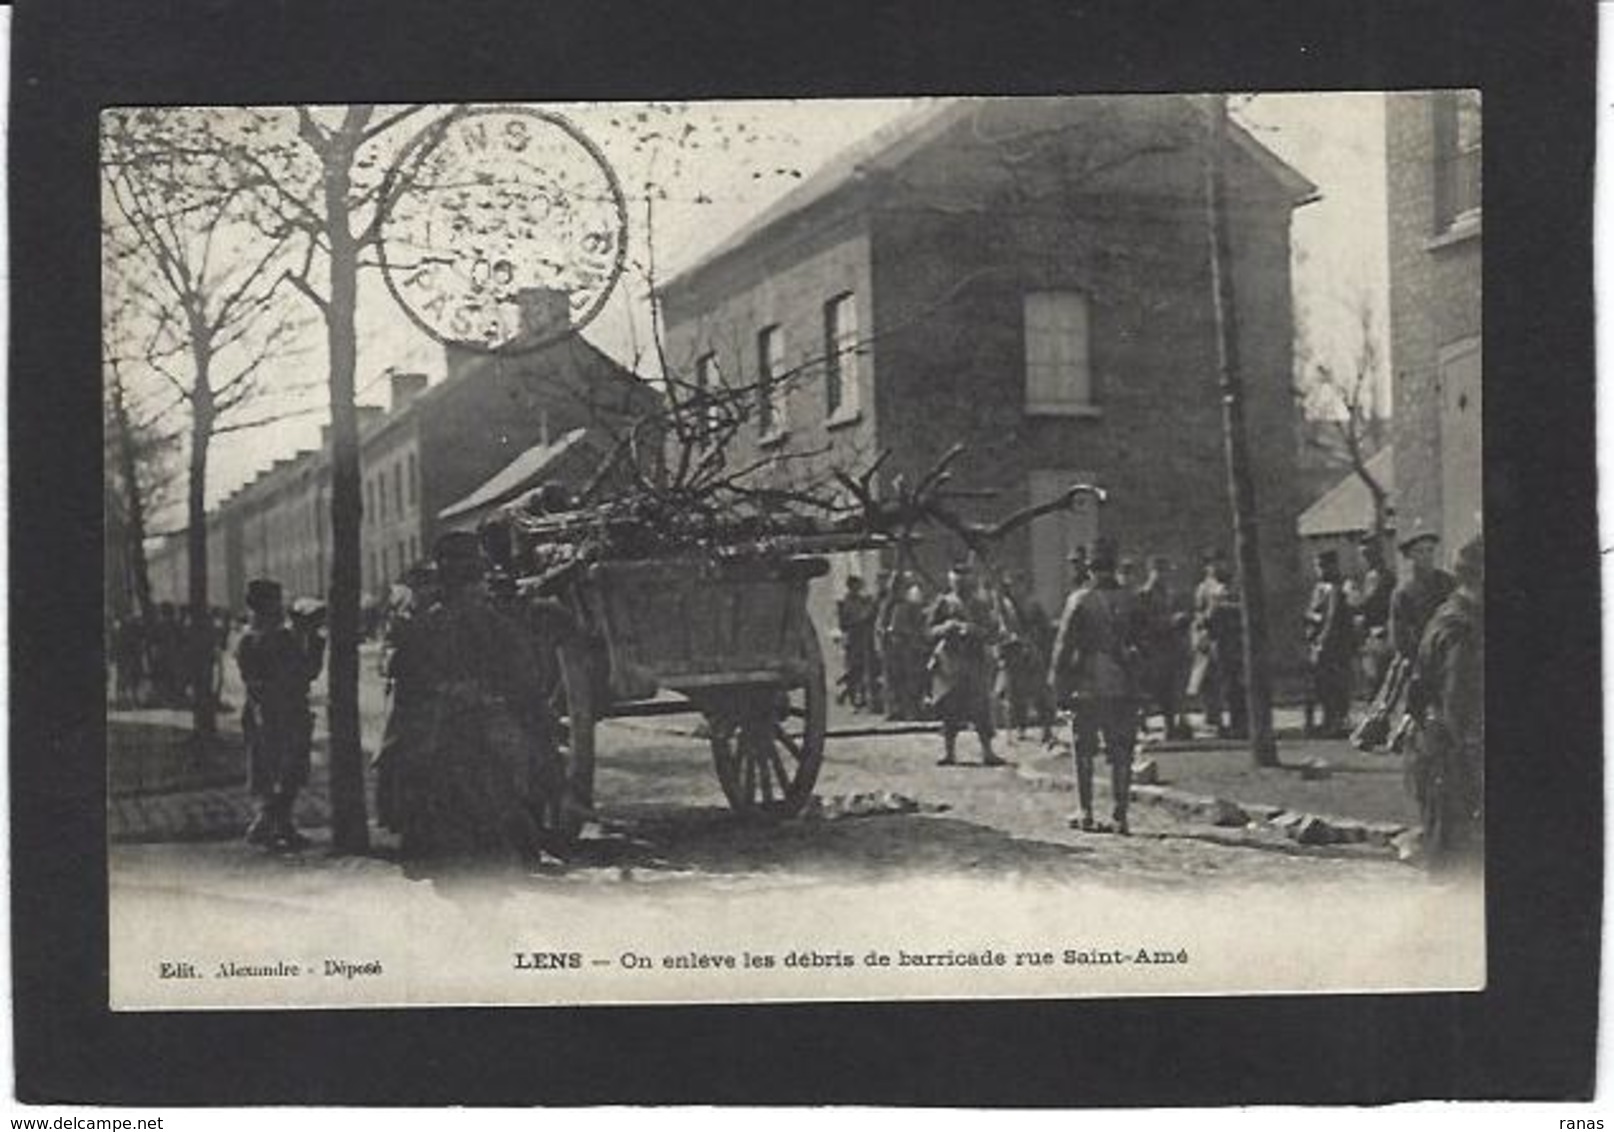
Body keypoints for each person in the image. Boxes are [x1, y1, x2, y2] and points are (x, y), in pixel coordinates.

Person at [383, 531, 552, 877]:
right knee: (494, 809)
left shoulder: (423, 627)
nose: (479, 591)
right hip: (479, 737)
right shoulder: (494, 626)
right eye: (475, 583)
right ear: (475, 583)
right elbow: (525, 686)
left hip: (443, 739)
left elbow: (406, 688)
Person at [1049, 537, 1141, 834]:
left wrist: (1058, 686)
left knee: (1084, 748)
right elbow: (1147, 642)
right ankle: (1120, 815)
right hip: (1124, 682)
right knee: (1122, 750)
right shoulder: (1132, 599)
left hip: (1087, 682)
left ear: (1089, 568)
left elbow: (1063, 648)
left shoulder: (1079, 600)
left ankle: (1086, 811)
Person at [1405, 534, 1483, 872]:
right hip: (1451, 753)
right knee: (1458, 862)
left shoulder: (1447, 613)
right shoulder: (1461, 629)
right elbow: (1458, 703)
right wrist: (1472, 750)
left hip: (1435, 745)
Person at [236, 578, 325, 850]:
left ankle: (278, 824)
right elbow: (305, 672)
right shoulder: (268, 639)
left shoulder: (255, 638)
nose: (280, 606)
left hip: (272, 711)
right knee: (282, 770)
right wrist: (312, 640)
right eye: (275, 601)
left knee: (280, 771)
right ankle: (268, 823)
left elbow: (304, 673)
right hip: (276, 711)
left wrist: (310, 639)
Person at [926, 562, 1005, 767]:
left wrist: (973, 629)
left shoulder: (980, 604)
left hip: (974, 660)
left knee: (980, 708)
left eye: (965, 582)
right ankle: (949, 752)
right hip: (950, 662)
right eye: (957, 581)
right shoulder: (943, 603)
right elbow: (928, 631)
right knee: (949, 707)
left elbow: (992, 631)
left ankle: (987, 751)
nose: (961, 586)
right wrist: (946, 627)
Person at [1135, 555, 1191, 740]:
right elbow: (1142, 624)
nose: (1164, 575)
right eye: (1160, 571)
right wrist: (1169, 622)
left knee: (1169, 690)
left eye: (1166, 572)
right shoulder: (1144, 595)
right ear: (1151, 572)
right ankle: (1141, 725)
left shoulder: (1169, 593)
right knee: (1149, 690)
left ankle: (1170, 727)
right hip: (1152, 649)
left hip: (1170, 648)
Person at [994, 571, 1053, 743]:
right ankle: (1019, 726)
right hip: (1012, 653)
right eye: (1011, 586)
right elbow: (996, 628)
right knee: (1014, 693)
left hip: (1032, 652)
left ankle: (1046, 728)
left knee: (1039, 692)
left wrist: (1035, 642)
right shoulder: (1004, 606)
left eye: (1017, 585)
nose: (1014, 589)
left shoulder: (1033, 605)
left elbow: (1045, 629)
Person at [1304, 549, 1356, 738]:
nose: (1319, 570)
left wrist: (1322, 642)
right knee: (1321, 686)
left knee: (1334, 685)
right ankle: (1328, 721)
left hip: (1333, 646)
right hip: (1318, 640)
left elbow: (1332, 618)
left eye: (1322, 566)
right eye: (1317, 566)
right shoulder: (1319, 588)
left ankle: (1336, 722)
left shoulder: (1336, 588)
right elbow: (1312, 612)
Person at [1390, 525, 1456, 663]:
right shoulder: (1403, 593)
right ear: (1409, 556)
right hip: (1422, 659)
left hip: (1452, 654)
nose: (1427, 556)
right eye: (1420, 552)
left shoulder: (1449, 582)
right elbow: (1400, 639)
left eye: (1430, 550)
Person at [1351, 535, 1395, 695]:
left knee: (1376, 679)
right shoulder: (1374, 576)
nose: (1364, 560)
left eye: (1367, 555)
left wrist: (1352, 598)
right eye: (1363, 555)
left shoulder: (1379, 577)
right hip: (1373, 631)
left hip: (1380, 632)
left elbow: (1370, 604)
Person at [881, 576, 928, 721]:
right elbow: (896, 629)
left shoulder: (905, 605)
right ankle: (900, 710)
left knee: (910, 680)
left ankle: (909, 711)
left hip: (907, 647)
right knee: (901, 680)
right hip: (900, 648)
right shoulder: (896, 606)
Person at [836, 575, 879, 710]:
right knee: (854, 669)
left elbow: (870, 617)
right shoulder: (845, 603)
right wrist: (860, 619)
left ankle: (861, 697)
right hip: (854, 639)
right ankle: (851, 696)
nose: (858, 588)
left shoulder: (863, 601)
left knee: (865, 668)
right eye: (856, 585)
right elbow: (844, 623)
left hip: (865, 639)